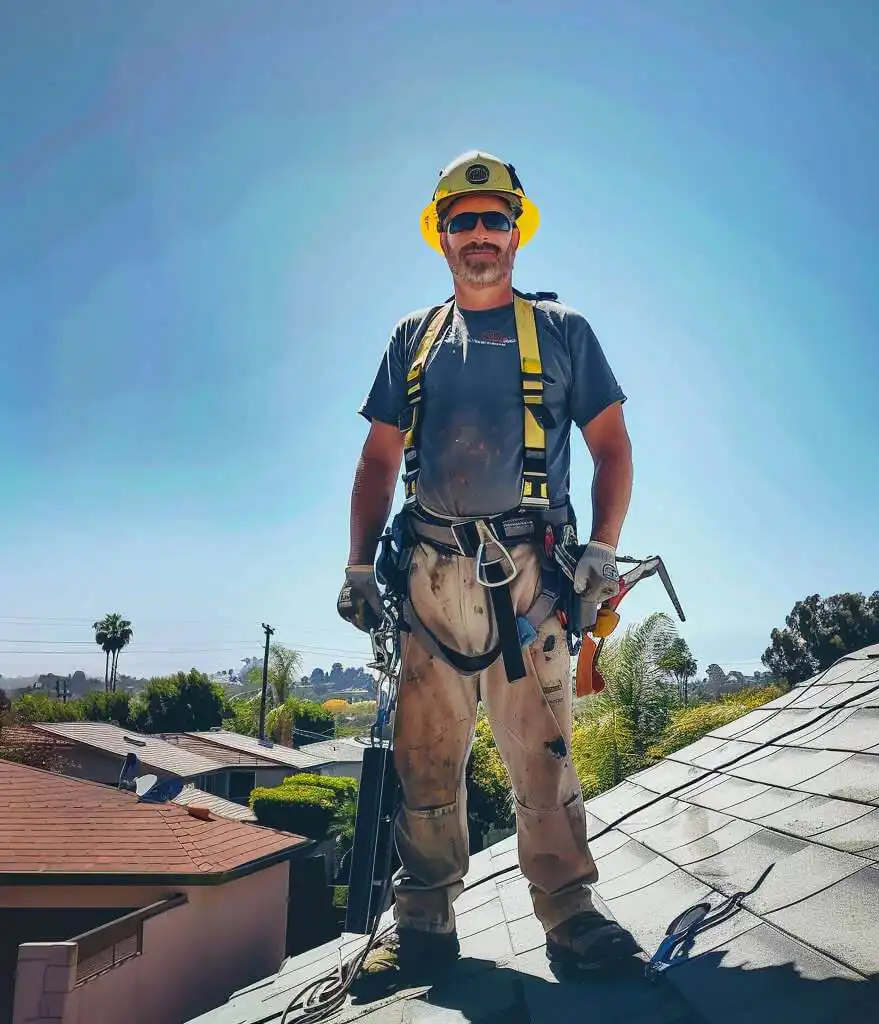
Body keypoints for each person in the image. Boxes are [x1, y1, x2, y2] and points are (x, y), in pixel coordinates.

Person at [337, 150, 641, 977]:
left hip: (530, 579)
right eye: (463, 221)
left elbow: (613, 449)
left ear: (516, 232)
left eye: (494, 220)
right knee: (424, 759)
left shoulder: (565, 332)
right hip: (429, 579)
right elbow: (378, 459)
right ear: (442, 235)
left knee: (543, 755)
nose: (479, 234)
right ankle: (423, 924)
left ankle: (570, 914)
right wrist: (359, 566)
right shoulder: (413, 338)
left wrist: (602, 549)